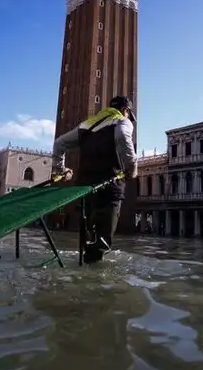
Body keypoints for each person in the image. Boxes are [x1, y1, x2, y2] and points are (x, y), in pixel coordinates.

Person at [51, 95, 138, 264]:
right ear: (125, 110)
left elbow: (59, 143)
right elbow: (122, 138)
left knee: (87, 239)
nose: (128, 118)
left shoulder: (87, 124)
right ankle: (94, 285)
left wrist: (60, 169)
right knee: (102, 244)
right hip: (109, 187)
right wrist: (132, 169)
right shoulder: (121, 121)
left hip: (84, 189)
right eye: (128, 114)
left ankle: (78, 276)